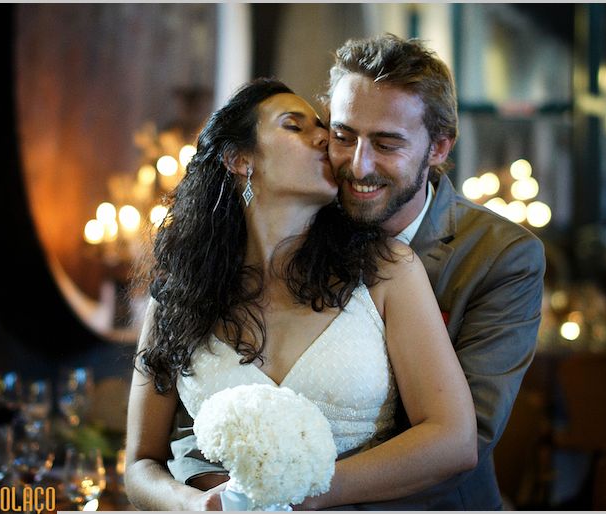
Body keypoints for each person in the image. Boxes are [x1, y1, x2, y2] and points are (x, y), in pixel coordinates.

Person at [167, 35, 546, 510]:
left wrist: (290, 492)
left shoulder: (502, 256)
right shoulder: (304, 219)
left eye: (387, 144)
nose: (357, 165)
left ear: (439, 147)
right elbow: (194, 405)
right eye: (343, 136)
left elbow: (466, 435)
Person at [124, 78, 477, 511]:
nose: (325, 138)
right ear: (240, 159)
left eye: (324, 127)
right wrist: (193, 506)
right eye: (295, 126)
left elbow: (454, 440)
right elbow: (141, 464)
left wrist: (306, 493)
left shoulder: (387, 271)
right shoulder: (178, 293)